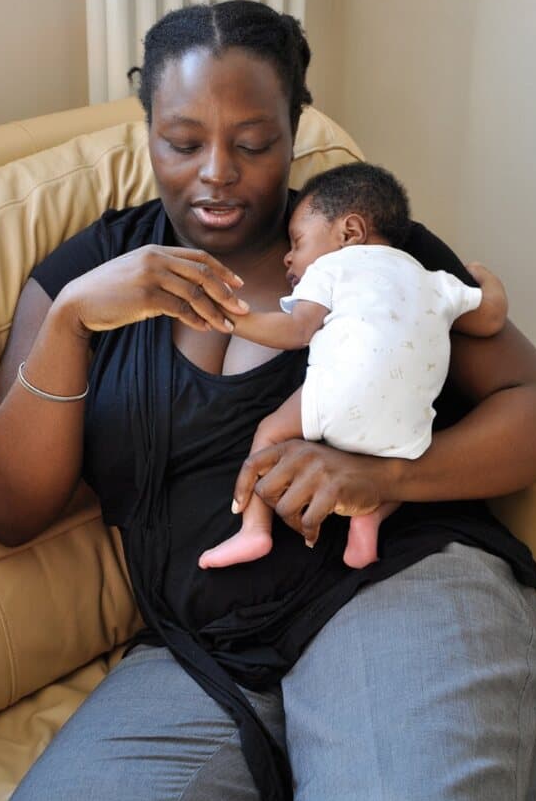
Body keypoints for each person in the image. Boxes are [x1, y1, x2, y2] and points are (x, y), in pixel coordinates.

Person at [0, 0, 536, 801]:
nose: (216, 172)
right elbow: (11, 509)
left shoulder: (361, 248)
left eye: (253, 144)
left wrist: (384, 473)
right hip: (202, 653)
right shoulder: (86, 273)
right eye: (183, 142)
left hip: (397, 585)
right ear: (148, 131)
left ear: (294, 127)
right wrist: (70, 320)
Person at [198, 161, 508, 571]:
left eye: (297, 241)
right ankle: (369, 525)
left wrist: (233, 317)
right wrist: (488, 280)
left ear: (350, 233)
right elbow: (489, 319)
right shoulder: (434, 280)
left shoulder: (333, 267)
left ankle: (254, 528)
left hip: (337, 402)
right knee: (399, 467)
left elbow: (296, 330)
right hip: (409, 428)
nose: (289, 258)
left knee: (269, 431)